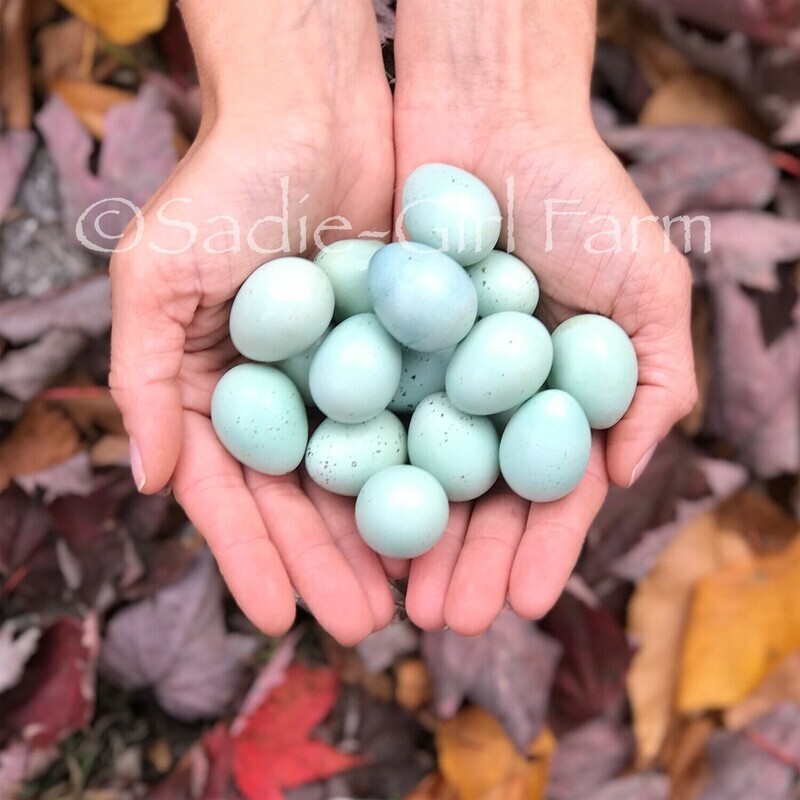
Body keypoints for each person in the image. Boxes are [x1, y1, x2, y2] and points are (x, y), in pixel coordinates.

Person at [109, 1, 696, 644]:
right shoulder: (397, 322)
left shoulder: (464, 327)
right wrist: (286, 90)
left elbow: (448, 365)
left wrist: (507, 89)